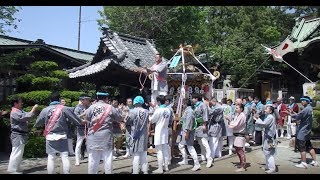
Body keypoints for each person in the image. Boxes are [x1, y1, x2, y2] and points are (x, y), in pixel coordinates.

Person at [34, 92, 86, 174]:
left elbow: (37, 123)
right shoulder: (64, 108)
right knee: (64, 157)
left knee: (51, 157)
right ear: (59, 99)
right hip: (62, 135)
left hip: (50, 135)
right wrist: (82, 121)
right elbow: (76, 119)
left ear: (50, 100)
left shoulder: (45, 109)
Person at [84, 91, 123, 174]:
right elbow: (119, 118)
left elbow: (86, 118)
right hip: (106, 137)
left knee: (92, 160)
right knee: (107, 159)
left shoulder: (91, 107)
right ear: (107, 98)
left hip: (93, 136)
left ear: (97, 98)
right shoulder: (110, 107)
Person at [7, 97, 38, 174]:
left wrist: (32, 111)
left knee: (19, 152)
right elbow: (25, 117)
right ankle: (12, 169)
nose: (22, 103)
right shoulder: (14, 112)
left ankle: (16, 168)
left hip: (21, 134)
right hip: (17, 134)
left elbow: (27, 115)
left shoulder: (19, 111)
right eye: (20, 102)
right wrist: (33, 109)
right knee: (16, 152)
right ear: (15, 103)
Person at [288, 96, 319, 168]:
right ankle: (315, 161)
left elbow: (298, 116)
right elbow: (301, 115)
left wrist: (290, 114)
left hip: (302, 131)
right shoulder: (310, 108)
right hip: (307, 130)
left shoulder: (306, 109)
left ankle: (304, 163)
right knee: (309, 146)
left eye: (303, 100)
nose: (302, 102)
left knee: (302, 147)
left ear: (307, 101)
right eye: (301, 100)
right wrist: (293, 112)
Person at [149, 95, 173, 174]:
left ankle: (160, 168)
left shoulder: (158, 110)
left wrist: (149, 116)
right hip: (165, 130)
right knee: (165, 150)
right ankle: (166, 167)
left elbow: (152, 120)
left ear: (159, 101)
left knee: (159, 151)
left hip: (159, 131)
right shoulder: (168, 110)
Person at [125, 96, 149, 174]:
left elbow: (128, 121)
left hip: (135, 135)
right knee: (144, 154)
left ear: (135, 102)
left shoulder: (132, 111)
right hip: (144, 135)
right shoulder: (146, 111)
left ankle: (135, 171)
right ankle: (145, 170)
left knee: (136, 155)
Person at [177, 99, 201, 171]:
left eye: (183, 104)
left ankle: (197, 164)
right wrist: (180, 122)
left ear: (185, 104)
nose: (182, 105)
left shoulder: (189, 111)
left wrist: (187, 133)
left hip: (188, 132)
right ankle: (185, 159)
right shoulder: (187, 110)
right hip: (185, 131)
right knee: (181, 145)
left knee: (190, 147)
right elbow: (184, 119)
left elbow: (189, 123)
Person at [254, 105, 277, 174]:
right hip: (268, 136)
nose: (265, 110)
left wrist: (257, 119)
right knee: (266, 152)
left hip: (270, 137)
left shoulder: (270, 117)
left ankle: (272, 168)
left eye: (266, 109)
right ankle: (268, 166)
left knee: (269, 153)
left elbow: (264, 124)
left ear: (270, 111)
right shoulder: (269, 117)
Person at [193, 94, 212, 168]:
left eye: (193, 98)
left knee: (204, 142)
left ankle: (209, 158)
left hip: (202, 125)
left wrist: (205, 124)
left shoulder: (202, 105)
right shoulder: (196, 106)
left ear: (196, 98)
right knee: (200, 142)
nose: (192, 100)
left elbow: (205, 115)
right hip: (197, 126)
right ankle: (203, 156)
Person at [226, 104, 247, 172]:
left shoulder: (242, 116)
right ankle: (241, 164)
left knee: (240, 151)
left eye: (237, 108)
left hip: (239, 135)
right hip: (236, 134)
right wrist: (230, 120)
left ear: (241, 109)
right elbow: (234, 123)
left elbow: (236, 125)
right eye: (236, 108)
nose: (236, 109)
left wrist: (230, 121)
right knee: (238, 150)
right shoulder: (238, 115)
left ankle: (243, 166)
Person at [74, 94, 91, 166]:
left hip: (88, 127)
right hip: (80, 128)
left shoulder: (89, 107)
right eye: (86, 99)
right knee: (79, 144)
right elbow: (74, 117)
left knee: (89, 144)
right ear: (82, 100)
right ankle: (77, 160)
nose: (88, 101)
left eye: (88, 99)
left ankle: (90, 159)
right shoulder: (77, 108)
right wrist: (81, 118)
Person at [207, 98, 225, 165]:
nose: (211, 104)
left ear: (213, 101)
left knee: (213, 141)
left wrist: (208, 107)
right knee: (216, 141)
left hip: (216, 125)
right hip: (216, 125)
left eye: (211, 103)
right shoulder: (217, 107)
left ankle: (211, 156)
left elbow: (210, 112)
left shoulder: (218, 107)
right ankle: (216, 154)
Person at [165, 95, 174, 165]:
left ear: (167, 101)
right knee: (168, 144)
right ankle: (169, 159)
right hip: (169, 127)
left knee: (167, 144)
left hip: (167, 127)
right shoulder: (170, 108)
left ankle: (168, 159)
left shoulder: (168, 109)